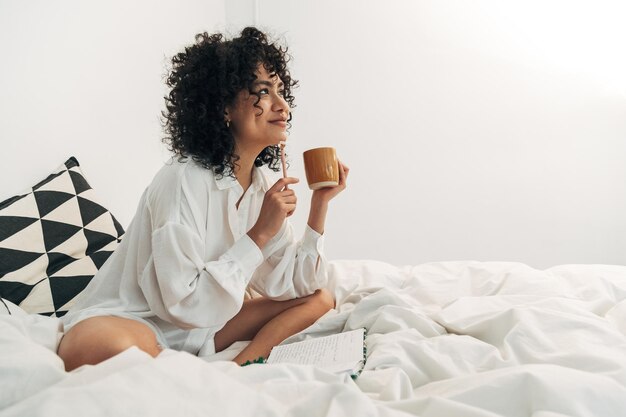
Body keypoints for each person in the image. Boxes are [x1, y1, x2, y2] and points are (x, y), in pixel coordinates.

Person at [58, 27, 349, 371]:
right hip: (138, 320)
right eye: (263, 91)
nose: (282, 106)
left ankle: (237, 368)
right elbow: (180, 302)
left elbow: (291, 283)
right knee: (98, 348)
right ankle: (175, 370)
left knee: (320, 297)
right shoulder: (183, 178)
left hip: (204, 328)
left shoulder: (262, 186)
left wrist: (320, 204)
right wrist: (259, 234)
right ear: (224, 107)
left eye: (281, 91)